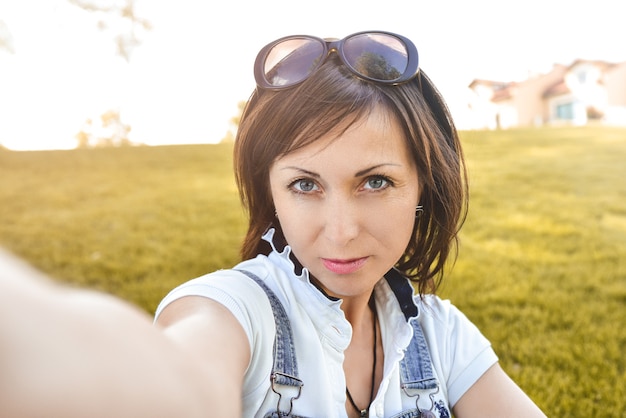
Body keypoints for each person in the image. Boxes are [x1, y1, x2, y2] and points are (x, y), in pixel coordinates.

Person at [0, 31, 546, 418]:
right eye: (305, 185)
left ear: (424, 184)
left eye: (375, 182)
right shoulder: (238, 311)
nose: (340, 231)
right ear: (272, 195)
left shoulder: (441, 335)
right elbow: (177, 382)